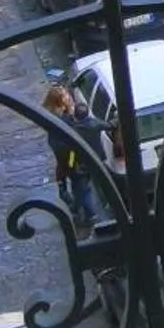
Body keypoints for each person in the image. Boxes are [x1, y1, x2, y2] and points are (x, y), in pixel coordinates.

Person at [43, 82, 99, 228]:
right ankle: (89, 215)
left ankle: (78, 208)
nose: (70, 99)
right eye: (67, 97)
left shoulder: (56, 119)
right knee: (82, 187)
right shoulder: (65, 121)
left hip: (71, 162)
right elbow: (63, 149)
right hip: (74, 161)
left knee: (80, 187)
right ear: (61, 103)